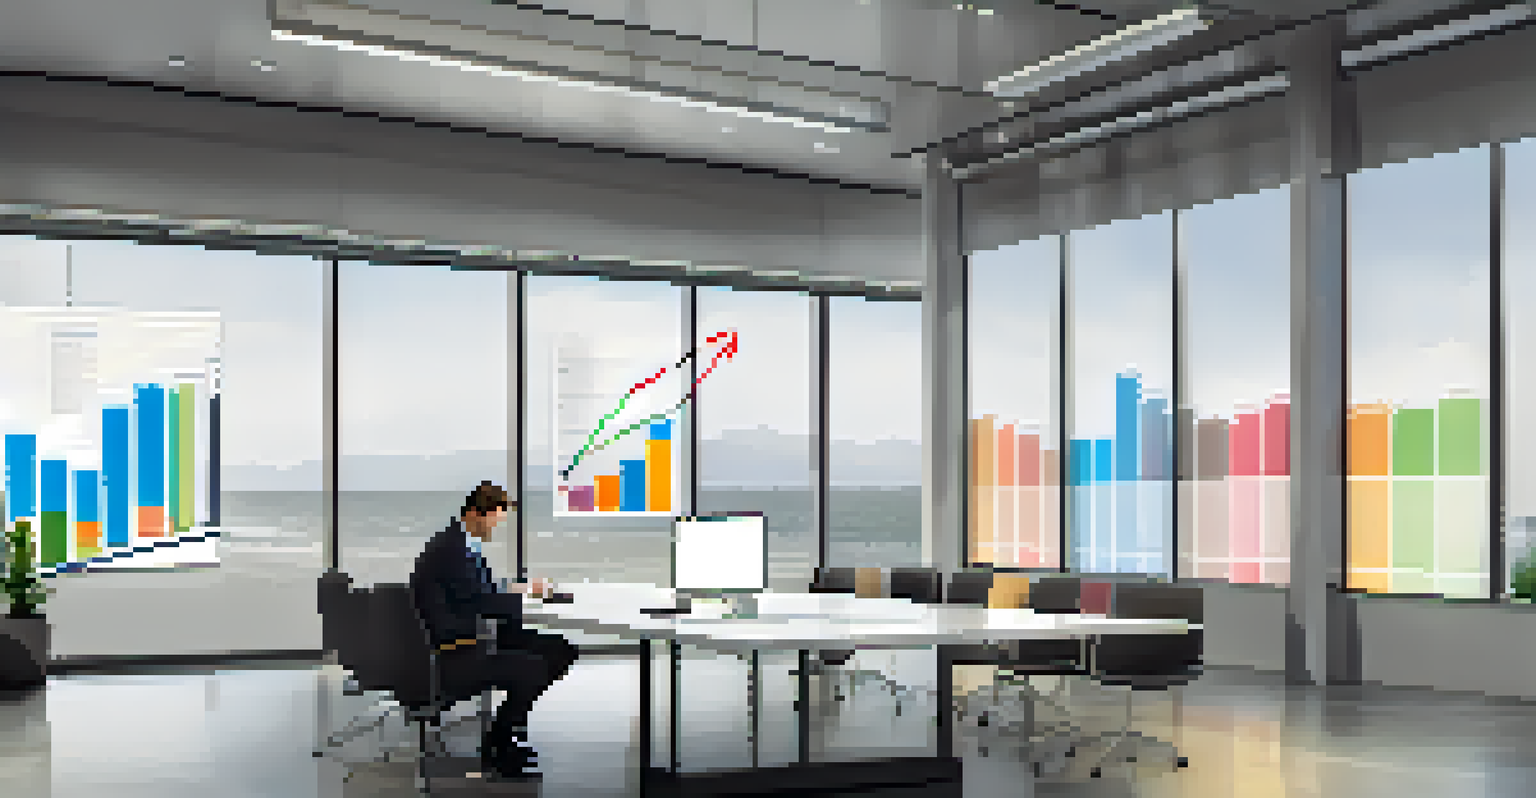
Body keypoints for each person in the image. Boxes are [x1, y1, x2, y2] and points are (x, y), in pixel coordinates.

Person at [410, 480, 578, 780]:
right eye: (494, 520)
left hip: (471, 633)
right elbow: (480, 601)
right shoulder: (451, 549)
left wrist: (516, 590)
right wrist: (523, 598)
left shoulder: (458, 543)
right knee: (532, 668)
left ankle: (508, 729)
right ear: (476, 513)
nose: (495, 529)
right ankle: (499, 745)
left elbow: (474, 592)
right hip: (456, 650)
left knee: (561, 649)